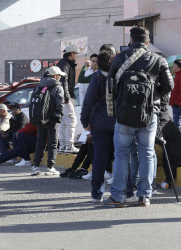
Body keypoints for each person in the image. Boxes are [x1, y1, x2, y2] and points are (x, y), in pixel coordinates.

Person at [104, 26, 174, 207]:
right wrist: (153, 97)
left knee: (121, 155)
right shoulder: (158, 60)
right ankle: (144, 196)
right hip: (149, 114)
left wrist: (115, 109)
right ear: (147, 41)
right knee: (147, 153)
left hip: (124, 115)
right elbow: (169, 86)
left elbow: (110, 86)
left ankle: (118, 196)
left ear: (130, 40)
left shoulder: (120, 58)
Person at [81, 50, 116, 203]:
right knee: (122, 157)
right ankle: (126, 190)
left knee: (99, 158)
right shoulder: (119, 76)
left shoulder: (97, 77)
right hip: (119, 122)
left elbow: (88, 101)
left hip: (100, 123)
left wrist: (85, 120)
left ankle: (97, 192)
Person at [30, 66, 65, 176]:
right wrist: (59, 115)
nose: (60, 77)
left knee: (40, 141)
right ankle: (50, 167)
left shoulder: (39, 86)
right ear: (55, 76)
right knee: (53, 142)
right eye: (59, 75)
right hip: (53, 118)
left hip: (41, 117)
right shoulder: (58, 86)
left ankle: (36, 166)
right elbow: (60, 104)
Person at [56, 45, 79, 154]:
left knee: (64, 121)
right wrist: (66, 96)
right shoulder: (66, 64)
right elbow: (64, 80)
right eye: (75, 54)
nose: (76, 56)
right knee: (71, 120)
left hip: (62, 96)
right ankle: (69, 146)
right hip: (66, 96)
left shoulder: (62, 63)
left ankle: (63, 145)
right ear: (71, 54)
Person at [169, 59, 181, 129]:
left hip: (180, 106)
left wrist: (176, 103)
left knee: (176, 128)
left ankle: (177, 140)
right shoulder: (180, 75)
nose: (172, 67)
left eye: (174, 65)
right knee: (179, 128)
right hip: (179, 105)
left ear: (177, 66)